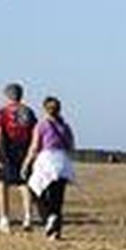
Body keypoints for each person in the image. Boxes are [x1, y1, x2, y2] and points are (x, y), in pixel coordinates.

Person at [23, 97, 76, 240]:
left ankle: (48, 218)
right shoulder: (65, 126)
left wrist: (26, 163)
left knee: (35, 189)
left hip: (47, 161)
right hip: (63, 162)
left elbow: (34, 147)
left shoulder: (41, 125)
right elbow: (71, 147)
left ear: (45, 109)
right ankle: (55, 231)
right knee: (58, 197)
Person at [0, 82, 37, 233]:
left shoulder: (3, 112)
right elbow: (34, 133)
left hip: (7, 149)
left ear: (6, 95)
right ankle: (28, 217)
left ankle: (4, 220)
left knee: (2, 184)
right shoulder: (29, 112)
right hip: (24, 149)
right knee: (24, 184)